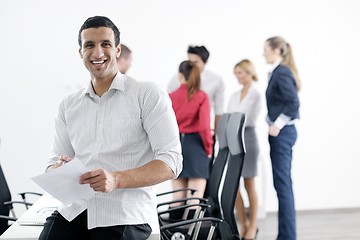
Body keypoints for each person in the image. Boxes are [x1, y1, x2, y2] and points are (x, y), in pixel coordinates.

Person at [39, 16, 182, 240]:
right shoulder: (68, 105)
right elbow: (52, 163)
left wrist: (116, 179)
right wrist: (57, 169)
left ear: (117, 50)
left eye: (105, 44)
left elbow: (171, 162)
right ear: (80, 53)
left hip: (124, 215)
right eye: (89, 45)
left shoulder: (147, 95)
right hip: (75, 210)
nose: (97, 53)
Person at [263, 36, 301, 240]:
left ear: (276, 50)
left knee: (283, 185)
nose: (263, 53)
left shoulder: (282, 72)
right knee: (282, 185)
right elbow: (281, 103)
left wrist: (276, 125)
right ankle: (285, 236)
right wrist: (269, 119)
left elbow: (294, 105)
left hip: (283, 135)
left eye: (266, 49)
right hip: (282, 134)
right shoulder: (277, 72)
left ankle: (287, 237)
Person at [168, 60, 213, 218]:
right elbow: (204, 126)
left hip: (176, 146)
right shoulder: (201, 96)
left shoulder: (170, 96)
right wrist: (209, 148)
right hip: (196, 147)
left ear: (180, 75)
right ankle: (192, 235)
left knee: (178, 196)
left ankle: (173, 234)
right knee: (196, 198)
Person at [227, 59, 261, 240]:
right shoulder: (234, 95)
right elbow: (228, 117)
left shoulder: (255, 93)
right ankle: (243, 223)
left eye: (239, 73)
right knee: (234, 186)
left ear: (249, 72)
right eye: (235, 74)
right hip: (234, 139)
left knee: (249, 184)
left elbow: (245, 119)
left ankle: (253, 225)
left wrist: (234, 120)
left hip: (248, 138)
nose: (237, 77)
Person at [167, 46, 225, 136]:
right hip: (176, 131)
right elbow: (168, 105)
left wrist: (216, 137)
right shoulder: (177, 78)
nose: (192, 65)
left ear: (205, 62)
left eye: (196, 62)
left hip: (202, 132)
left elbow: (218, 111)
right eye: (190, 61)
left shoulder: (216, 80)